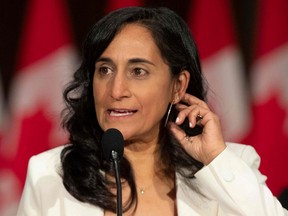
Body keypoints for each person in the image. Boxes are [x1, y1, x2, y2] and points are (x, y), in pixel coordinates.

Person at [17, 6, 288, 216]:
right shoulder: (49, 175)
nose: (116, 89)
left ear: (177, 86)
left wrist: (215, 158)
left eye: (138, 71)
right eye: (105, 70)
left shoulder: (229, 166)